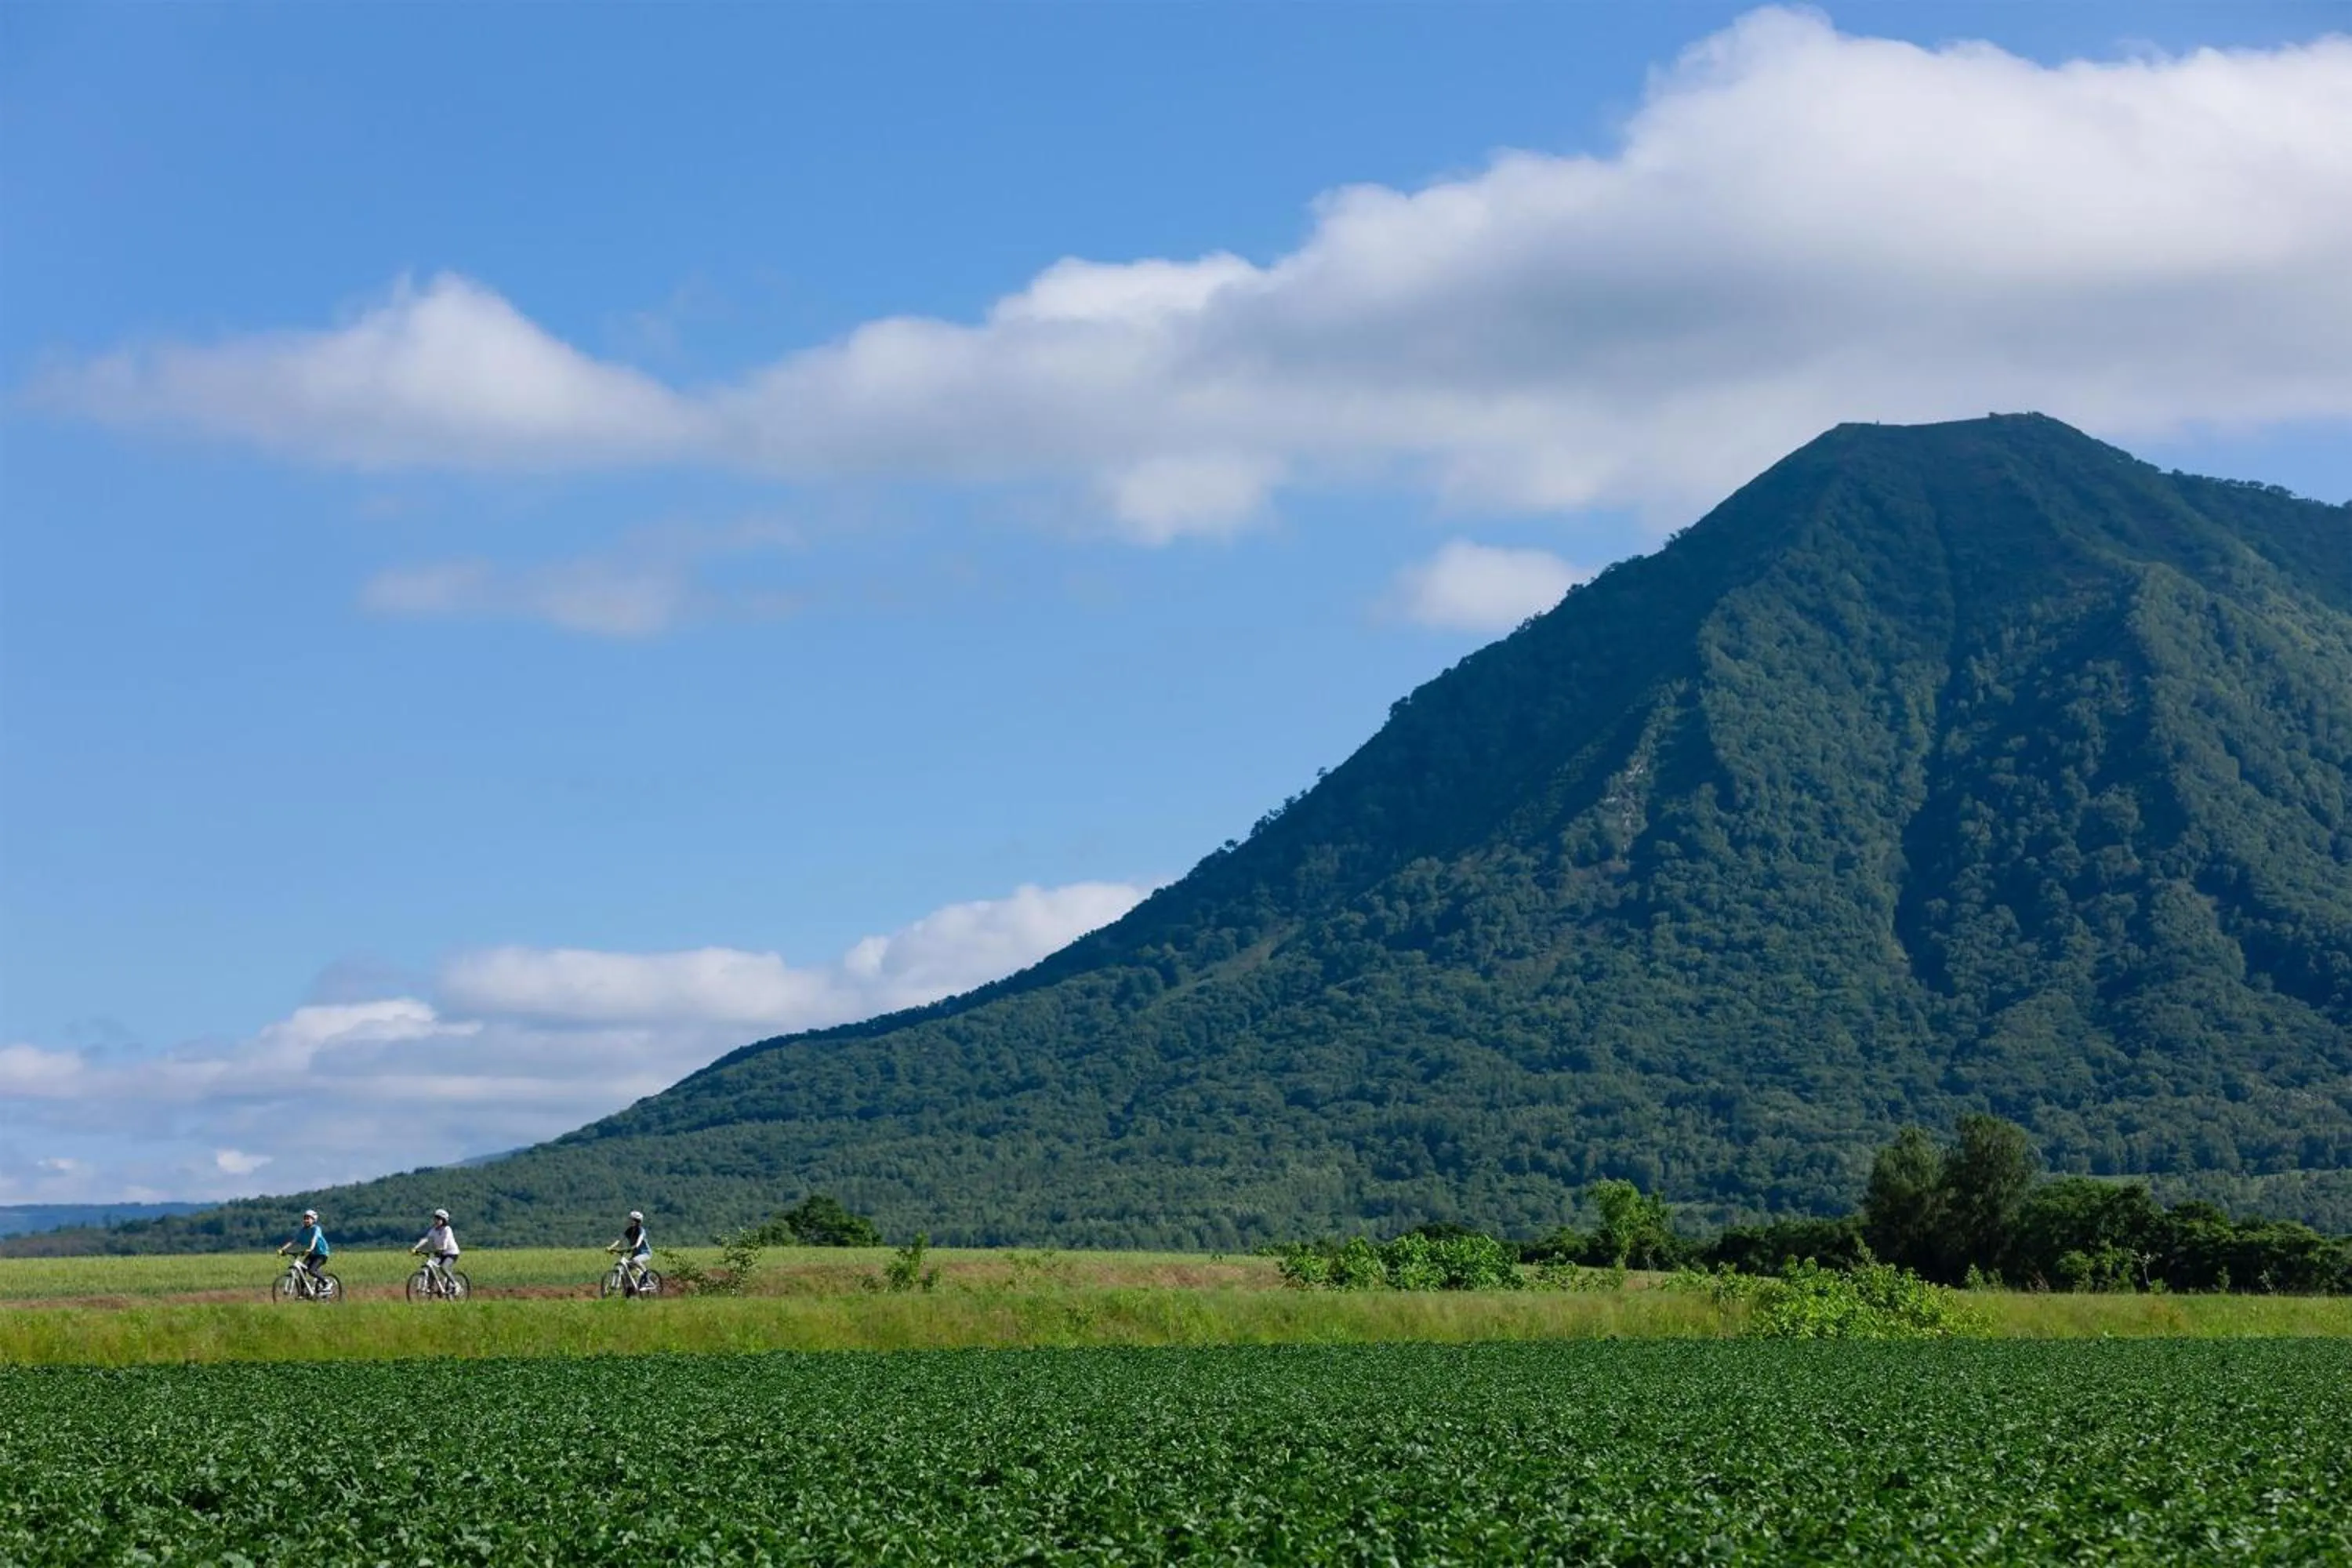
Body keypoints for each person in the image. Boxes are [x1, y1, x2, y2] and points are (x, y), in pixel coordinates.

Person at [410, 1208, 461, 1294]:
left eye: (438, 1219)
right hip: (440, 1253)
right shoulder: (433, 1230)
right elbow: (426, 1240)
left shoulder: (447, 1230)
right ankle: (431, 1287)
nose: (436, 1220)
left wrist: (442, 1249)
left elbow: (445, 1241)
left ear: (444, 1220)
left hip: (451, 1253)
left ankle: (455, 1285)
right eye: (435, 1218)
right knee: (430, 1266)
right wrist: (416, 1248)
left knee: (443, 1268)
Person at [277, 1208, 330, 1289]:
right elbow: (293, 1241)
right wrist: (283, 1249)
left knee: (311, 1271)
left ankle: (326, 1282)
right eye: (305, 1218)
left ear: (314, 1220)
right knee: (302, 1269)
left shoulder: (316, 1229)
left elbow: (314, 1239)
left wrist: (311, 1248)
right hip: (312, 1254)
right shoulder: (303, 1230)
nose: (306, 1220)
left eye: (308, 1218)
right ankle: (303, 1293)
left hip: (322, 1254)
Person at [607, 1209, 652, 1291]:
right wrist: (611, 1247)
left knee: (635, 1260)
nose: (630, 1221)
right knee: (625, 1268)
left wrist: (635, 1246)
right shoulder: (629, 1230)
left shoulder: (641, 1230)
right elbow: (620, 1240)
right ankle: (629, 1287)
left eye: (632, 1219)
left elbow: (640, 1240)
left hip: (645, 1253)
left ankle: (647, 1281)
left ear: (637, 1221)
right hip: (635, 1254)